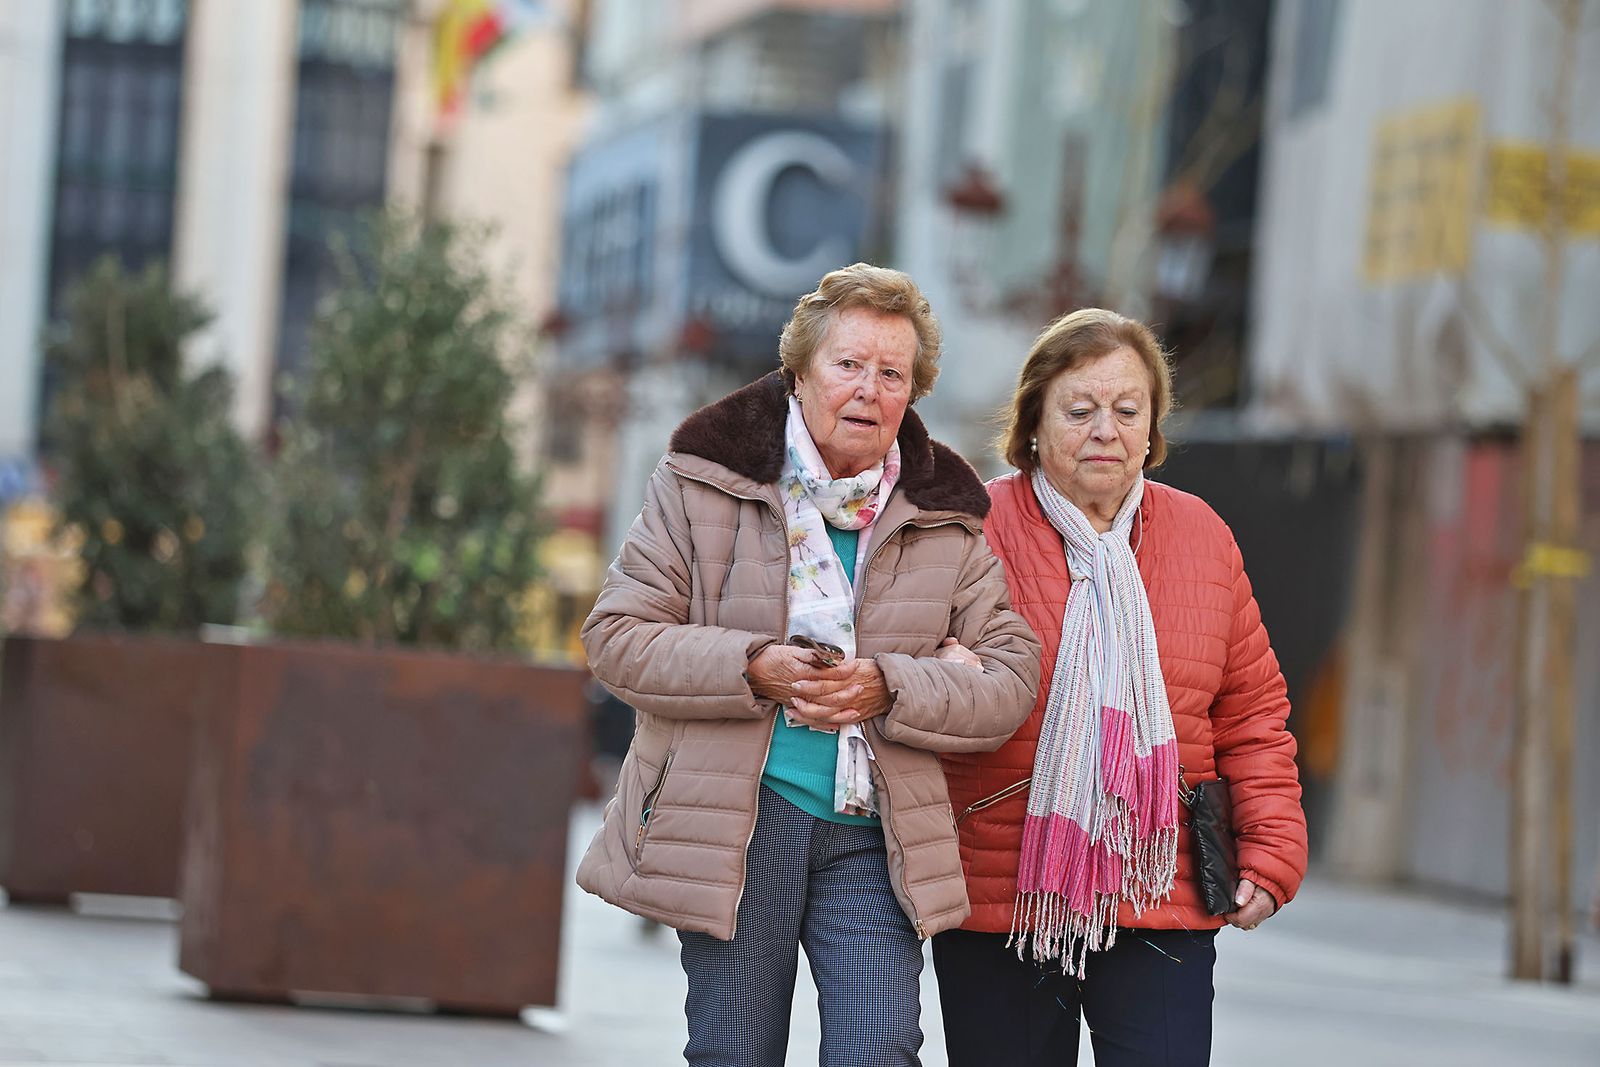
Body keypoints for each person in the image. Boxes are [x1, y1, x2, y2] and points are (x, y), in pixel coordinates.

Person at [576, 263, 1042, 1066]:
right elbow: (617, 637)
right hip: (738, 821)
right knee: (734, 1051)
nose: (868, 388)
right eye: (848, 364)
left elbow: (1011, 676)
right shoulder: (702, 479)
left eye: (892, 373)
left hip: (875, 830)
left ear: (913, 392)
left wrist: (890, 683)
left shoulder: (948, 515)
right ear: (800, 373)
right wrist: (753, 666)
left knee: (880, 1049)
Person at [932, 308, 1308, 1067]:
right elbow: (906, 679)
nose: (1106, 428)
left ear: (1151, 429)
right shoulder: (968, 527)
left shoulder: (1202, 535)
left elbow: (1252, 712)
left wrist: (1270, 849)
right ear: (1035, 420)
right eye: (1080, 409)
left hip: (1158, 888)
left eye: (1127, 410)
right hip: (1003, 892)